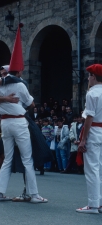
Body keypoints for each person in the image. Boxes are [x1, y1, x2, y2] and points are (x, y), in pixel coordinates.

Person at [0, 25, 47, 203]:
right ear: (19, 70)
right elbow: (31, 103)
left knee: (7, 159)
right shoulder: (20, 84)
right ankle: (34, 194)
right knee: (27, 159)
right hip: (18, 122)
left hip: (5, 123)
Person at [76, 64, 102, 214]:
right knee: (100, 169)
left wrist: (83, 139)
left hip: (94, 131)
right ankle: (99, 203)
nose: (88, 78)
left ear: (93, 76)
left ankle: (93, 205)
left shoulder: (92, 93)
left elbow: (89, 117)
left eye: (89, 75)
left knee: (92, 169)